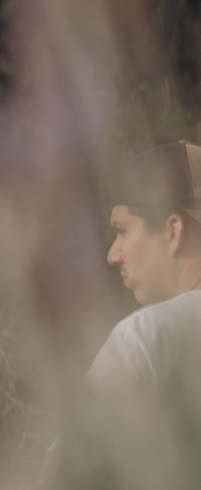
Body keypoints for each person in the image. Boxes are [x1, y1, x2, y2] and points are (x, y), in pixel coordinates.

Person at [92, 140, 201, 392]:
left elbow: (79, 432)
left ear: (172, 232)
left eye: (122, 231)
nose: (112, 255)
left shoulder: (144, 338)